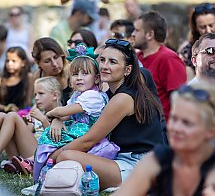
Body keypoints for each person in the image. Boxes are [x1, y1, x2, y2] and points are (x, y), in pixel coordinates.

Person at [49, 39, 167, 190]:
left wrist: (52, 158)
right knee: (67, 156)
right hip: (122, 159)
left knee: (67, 157)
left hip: (139, 165)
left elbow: (88, 141)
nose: (104, 66)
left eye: (112, 62)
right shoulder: (109, 93)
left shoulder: (123, 98)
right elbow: (75, 114)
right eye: (102, 60)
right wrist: (57, 120)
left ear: (127, 70)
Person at [112, 83, 215, 196]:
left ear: (211, 131)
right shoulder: (158, 160)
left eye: (187, 123)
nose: (176, 128)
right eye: (174, 119)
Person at [33, 43, 115, 182]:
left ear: (96, 78)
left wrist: (51, 114)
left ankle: (42, 173)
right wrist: (57, 121)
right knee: (50, 136)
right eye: (75, 74)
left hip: (88, 137)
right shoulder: (77, 95)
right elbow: (64, 115)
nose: (79, 77)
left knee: (50, 140)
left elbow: (63, 111)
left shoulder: (93, 96)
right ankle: (43, 173)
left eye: (85, 73)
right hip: (76, 133)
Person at [0, 76, 62, 174]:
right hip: (27, 152)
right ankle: (14, 162)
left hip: (40, 155)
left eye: (41, 94)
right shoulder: (40, 112)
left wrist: (43, 120)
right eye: (35, 94)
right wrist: (26, 123)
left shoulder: (61, 115)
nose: (36, 98)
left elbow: (55, 142)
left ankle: (17, 163)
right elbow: (28, 134)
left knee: (12, 115)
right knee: (2, 116)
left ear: (55, 95)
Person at [133, 11, 187, 121]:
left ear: (150, 34)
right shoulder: (136, 57)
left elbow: (179, 98)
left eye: (137, 30)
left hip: (160, 129)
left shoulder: (169, 59)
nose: (133, 34)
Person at [178, 3, 215, 81]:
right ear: (195, 28)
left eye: (211, 25)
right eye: (202, 27)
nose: (208, 30)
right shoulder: (187, 51)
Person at [32, 37, 71, 106]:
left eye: (56, 57)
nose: (54, 64)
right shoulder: (39, 76)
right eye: (47, 61)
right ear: (39, 64)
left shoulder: (72, 72)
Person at [0, 47, 34, 112]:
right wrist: (6, 108)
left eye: (13, 61)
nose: (9, 64)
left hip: (21, 114)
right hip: (3, 114)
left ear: (23, 63)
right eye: (7, 61)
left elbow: (28, 101)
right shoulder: (2, 79)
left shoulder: (28, 77)